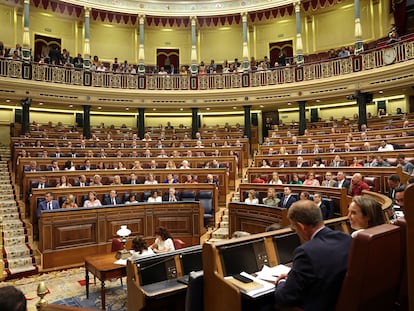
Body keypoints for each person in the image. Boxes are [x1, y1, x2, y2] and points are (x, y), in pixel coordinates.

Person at [271, 200, 352, 310]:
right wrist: (294, 275)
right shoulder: (345, 238)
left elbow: (286, 297)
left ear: (301, 226)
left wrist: (282, 281)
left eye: (294, 228)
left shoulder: (306, 252)